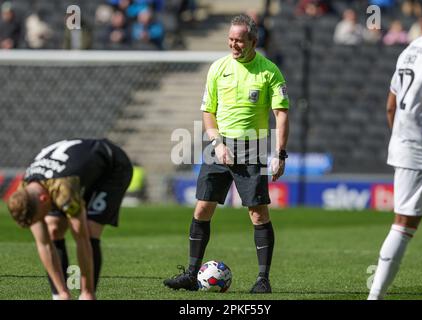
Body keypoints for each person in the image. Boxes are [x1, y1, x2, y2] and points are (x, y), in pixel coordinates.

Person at [163, 14, 289, 294]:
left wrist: (280, 154)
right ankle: (191, 274)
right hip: (218, 146)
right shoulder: (218, 68)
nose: (234, 44)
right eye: (231, 39)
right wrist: (218, 144)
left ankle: (262, 279)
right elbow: (208, 112)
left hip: (253, 145)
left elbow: (281, 114)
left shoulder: (269, 71)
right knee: (202, 208)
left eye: (239, 40)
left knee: (257, 213)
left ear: (253, 41)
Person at [368, 0, 422, 300]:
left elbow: (391, 106)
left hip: (417, 146)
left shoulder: (410, 50)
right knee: (405, 224)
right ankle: (374, 297)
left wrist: (404, 138)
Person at [7, 138, 132, 300]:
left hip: (111, 167)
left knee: (89, 227)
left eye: (40, 217)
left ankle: (87, 294)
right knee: (53, 228)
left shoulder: (63, 189)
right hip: (74, 171)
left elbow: (82, 239)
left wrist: (87, 292)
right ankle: (59, 294)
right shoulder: (24, 190)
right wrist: (62, 293)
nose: (40, 221)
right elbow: (44, 243)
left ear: (44, 199)